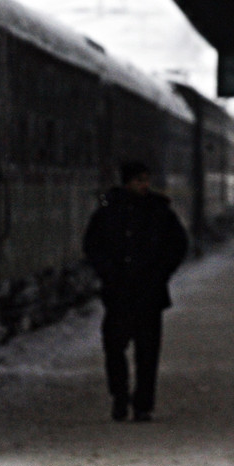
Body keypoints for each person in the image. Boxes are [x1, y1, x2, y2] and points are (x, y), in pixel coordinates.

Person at [83, 161, 188, 423]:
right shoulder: (108, 210)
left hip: (148, 292)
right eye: (139, 180)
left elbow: (178, 244)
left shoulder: (159, 210)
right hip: (119, 291)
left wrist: (162, 272)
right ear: (127, 181)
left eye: (146, 179)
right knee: (115, 349)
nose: (145, 185)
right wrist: (107, 272)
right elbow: (92, 245)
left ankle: (142, 405)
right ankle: (120, 396)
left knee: (147, 353)